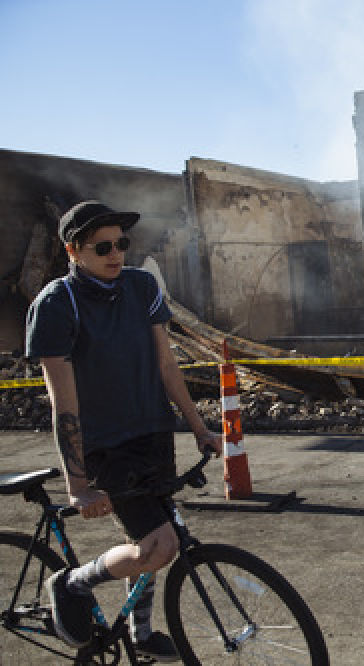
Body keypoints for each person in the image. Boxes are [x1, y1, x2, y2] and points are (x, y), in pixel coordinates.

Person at [25, 200, 223, 660]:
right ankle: (72, 583)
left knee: (150, 540)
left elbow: (166, 365)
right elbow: (64, 403)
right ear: (74, 251)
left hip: (152, 433)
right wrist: (78, 484)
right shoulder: (58, 304)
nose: (116, 254)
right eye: (102, 247)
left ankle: (140, 634)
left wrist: (198, 427)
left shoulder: (141, 286)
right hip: (105, 448)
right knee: (162, 543)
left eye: (121, 244)